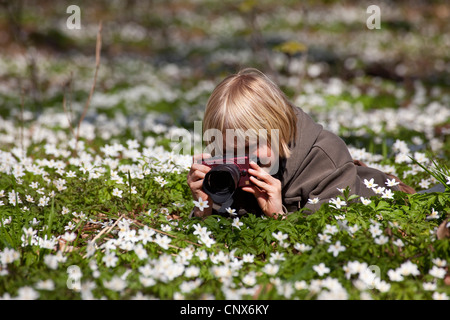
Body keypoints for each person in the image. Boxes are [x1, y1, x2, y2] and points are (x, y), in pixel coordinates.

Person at [187, 68, 415, 219]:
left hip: (380, 197)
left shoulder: (325, 159)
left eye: (248, 147)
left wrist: (277, 215)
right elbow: (224, 227)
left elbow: (325, 236)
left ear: (279, 132)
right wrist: (204, 208)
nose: (239, 161)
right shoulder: (230, 168)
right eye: (226, 151)